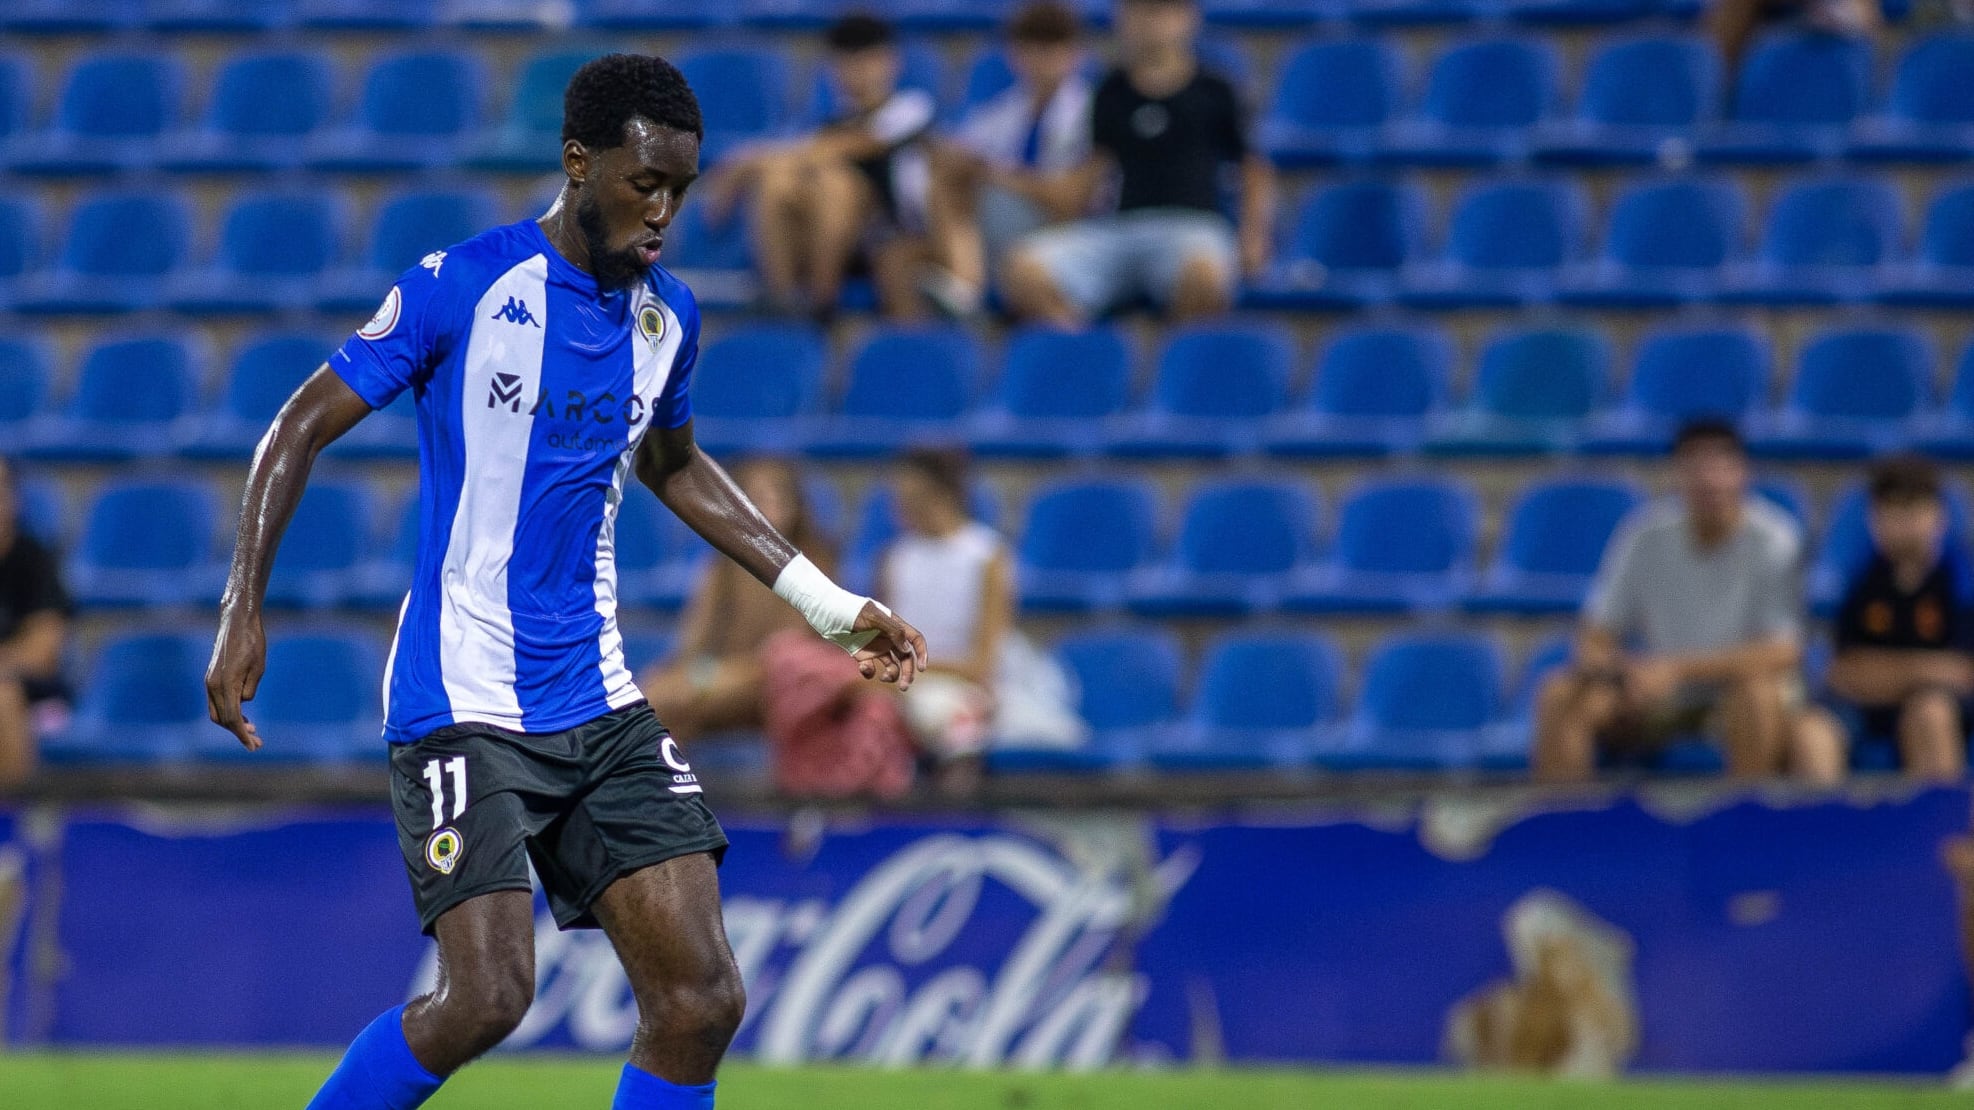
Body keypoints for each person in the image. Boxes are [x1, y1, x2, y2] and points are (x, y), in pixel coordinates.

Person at [203, 54, 926, 1110]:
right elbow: (297, 426)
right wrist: (241, 609)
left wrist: (831, 604)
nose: (664, 212)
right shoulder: (464, 285)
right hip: (463, 695)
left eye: (680, 188)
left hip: (598, 697)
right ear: (579, 163)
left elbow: (675, 463)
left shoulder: (665, 316)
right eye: (645, 184)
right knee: (486, 996)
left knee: (701, 998)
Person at [1531, 420, 1831, 784]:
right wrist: (1623, 672)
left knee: (1757, 696)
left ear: (1743, 473)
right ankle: (1568, 830)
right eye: (1696, 468)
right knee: (1560, 696)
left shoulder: (1775, 539)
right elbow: (1596, 633)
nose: (1710, 481)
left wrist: (1676, 669)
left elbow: (1784, 651)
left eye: (1721, 466)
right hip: (1661, 695)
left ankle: (1747, 832)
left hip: (1736, 691)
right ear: (1677, 475)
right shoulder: (1644, 536)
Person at [1001, 0, 1274, 326]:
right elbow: (1088, 177)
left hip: (1191, 227)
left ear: (1187, 18)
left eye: (1159, 10)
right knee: (1023, 269)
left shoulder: (1216, 89)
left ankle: (1176, 367)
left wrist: (1254, 237)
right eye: (1138, 10)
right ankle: (1093, 358)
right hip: (1120, 230)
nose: (1150, 22)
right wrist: (1011, 179)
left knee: (1205, 276)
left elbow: (1253, 168)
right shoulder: (1109, 91)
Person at [701, 13, 936, 320]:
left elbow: (858, 144)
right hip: (828, 239)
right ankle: (783, 299)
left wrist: (747, 163)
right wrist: (758, 165)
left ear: (890, 62)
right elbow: (813, 152)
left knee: (834, 181)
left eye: (866, 62)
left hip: (895, 240)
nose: (856, 73)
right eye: (846, 63)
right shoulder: (827, 123)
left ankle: (822, 302)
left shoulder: (910, 108)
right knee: (777, 180)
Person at [1796, 455, 1972, 782]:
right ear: (1874, 520)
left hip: (1940, 709)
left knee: (1930, 712)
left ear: (1940, 517)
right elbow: (1842, 673)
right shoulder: (1860, 580)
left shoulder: (1961, 581)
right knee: (1811, 731)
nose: (1904, 521)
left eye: (1914, 508)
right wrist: (1927, 670)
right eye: (1892, 509)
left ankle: (1941, 832)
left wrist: (1883, 673)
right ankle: (1827, 832)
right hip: (1861, 709)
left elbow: (1963, 675)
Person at [639, 457, 835, 742]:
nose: (770, 506)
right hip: (719, 681)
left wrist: (703, 680)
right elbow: (696, 641)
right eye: (757, 498)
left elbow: (785, 654)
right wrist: (688, 675)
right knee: (652, 703)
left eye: (779, 495)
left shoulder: (815, 564)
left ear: (796, 505)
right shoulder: (723, 567)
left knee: (671, 701)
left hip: (782, 687)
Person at [920, 1, 1093, 319]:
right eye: (1032, 49)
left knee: (958, 182)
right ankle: (963, 289)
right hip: (1009, 221)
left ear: (1075, 54)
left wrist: (995, 175)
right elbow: (962, 155)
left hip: (1073, 228)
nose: (1042, 61)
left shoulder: (1092, 112)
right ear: (1016, 55)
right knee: (902, 255)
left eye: (1052, 48)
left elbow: (1069, 199)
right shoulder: (1003, 113)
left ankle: (966, 285)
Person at [877, 449, 1014, 765]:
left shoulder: (987, 557)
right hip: (908, 684)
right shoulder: (895, 559)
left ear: (942, 493)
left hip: (965, 687)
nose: (901, 503)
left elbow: (984, 663)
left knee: (954, 721)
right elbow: (886, 648)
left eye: (912, 493)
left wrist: (920, 669)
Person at [0, 457, 70, 789]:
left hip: (34, 695)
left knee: (3, 697)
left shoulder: (34, 560)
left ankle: (9, 827)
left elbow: (42, 654)